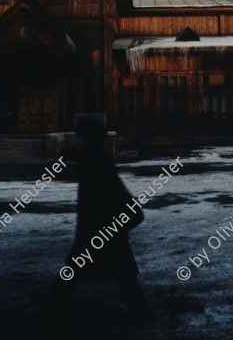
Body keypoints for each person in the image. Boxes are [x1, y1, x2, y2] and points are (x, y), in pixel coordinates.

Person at [47, 118, 146, 323]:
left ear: (86, 137)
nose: (75, 139)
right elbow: (115, 189)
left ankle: (55, 302)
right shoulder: (96, 157)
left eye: (79, 135)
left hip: (99, 221)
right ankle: (138, 308)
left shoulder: (91, 158)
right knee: (119, 268)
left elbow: (107, 191)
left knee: (84, 265)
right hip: (105, 221)